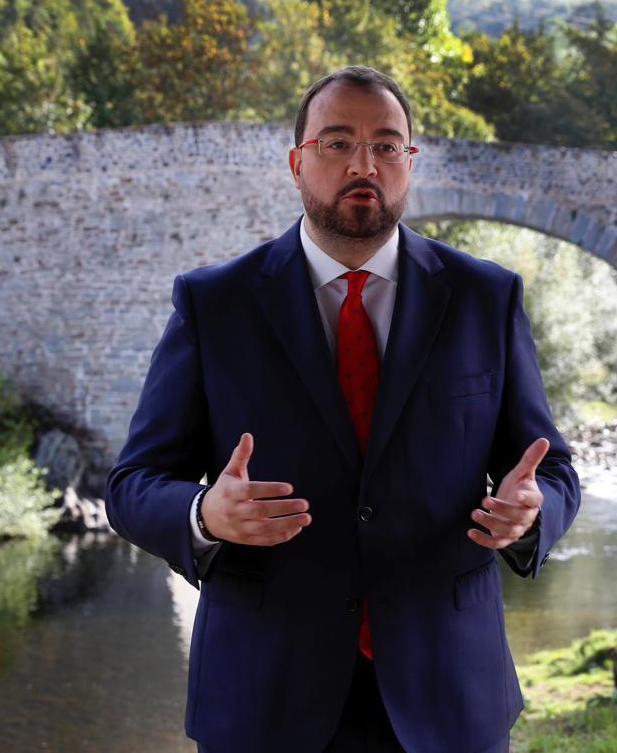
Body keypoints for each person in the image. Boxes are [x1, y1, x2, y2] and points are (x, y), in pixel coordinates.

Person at [105, 65, 581, 753]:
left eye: (388, 145)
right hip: (263, 703)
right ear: (297, 163)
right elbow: (132, 486)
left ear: (409, 163)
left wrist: (533, 515)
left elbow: (553, 471)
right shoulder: (216, 305)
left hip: (448, 702)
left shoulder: (486, 298)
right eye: (337, 143)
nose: (365, 163)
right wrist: (205, 515)